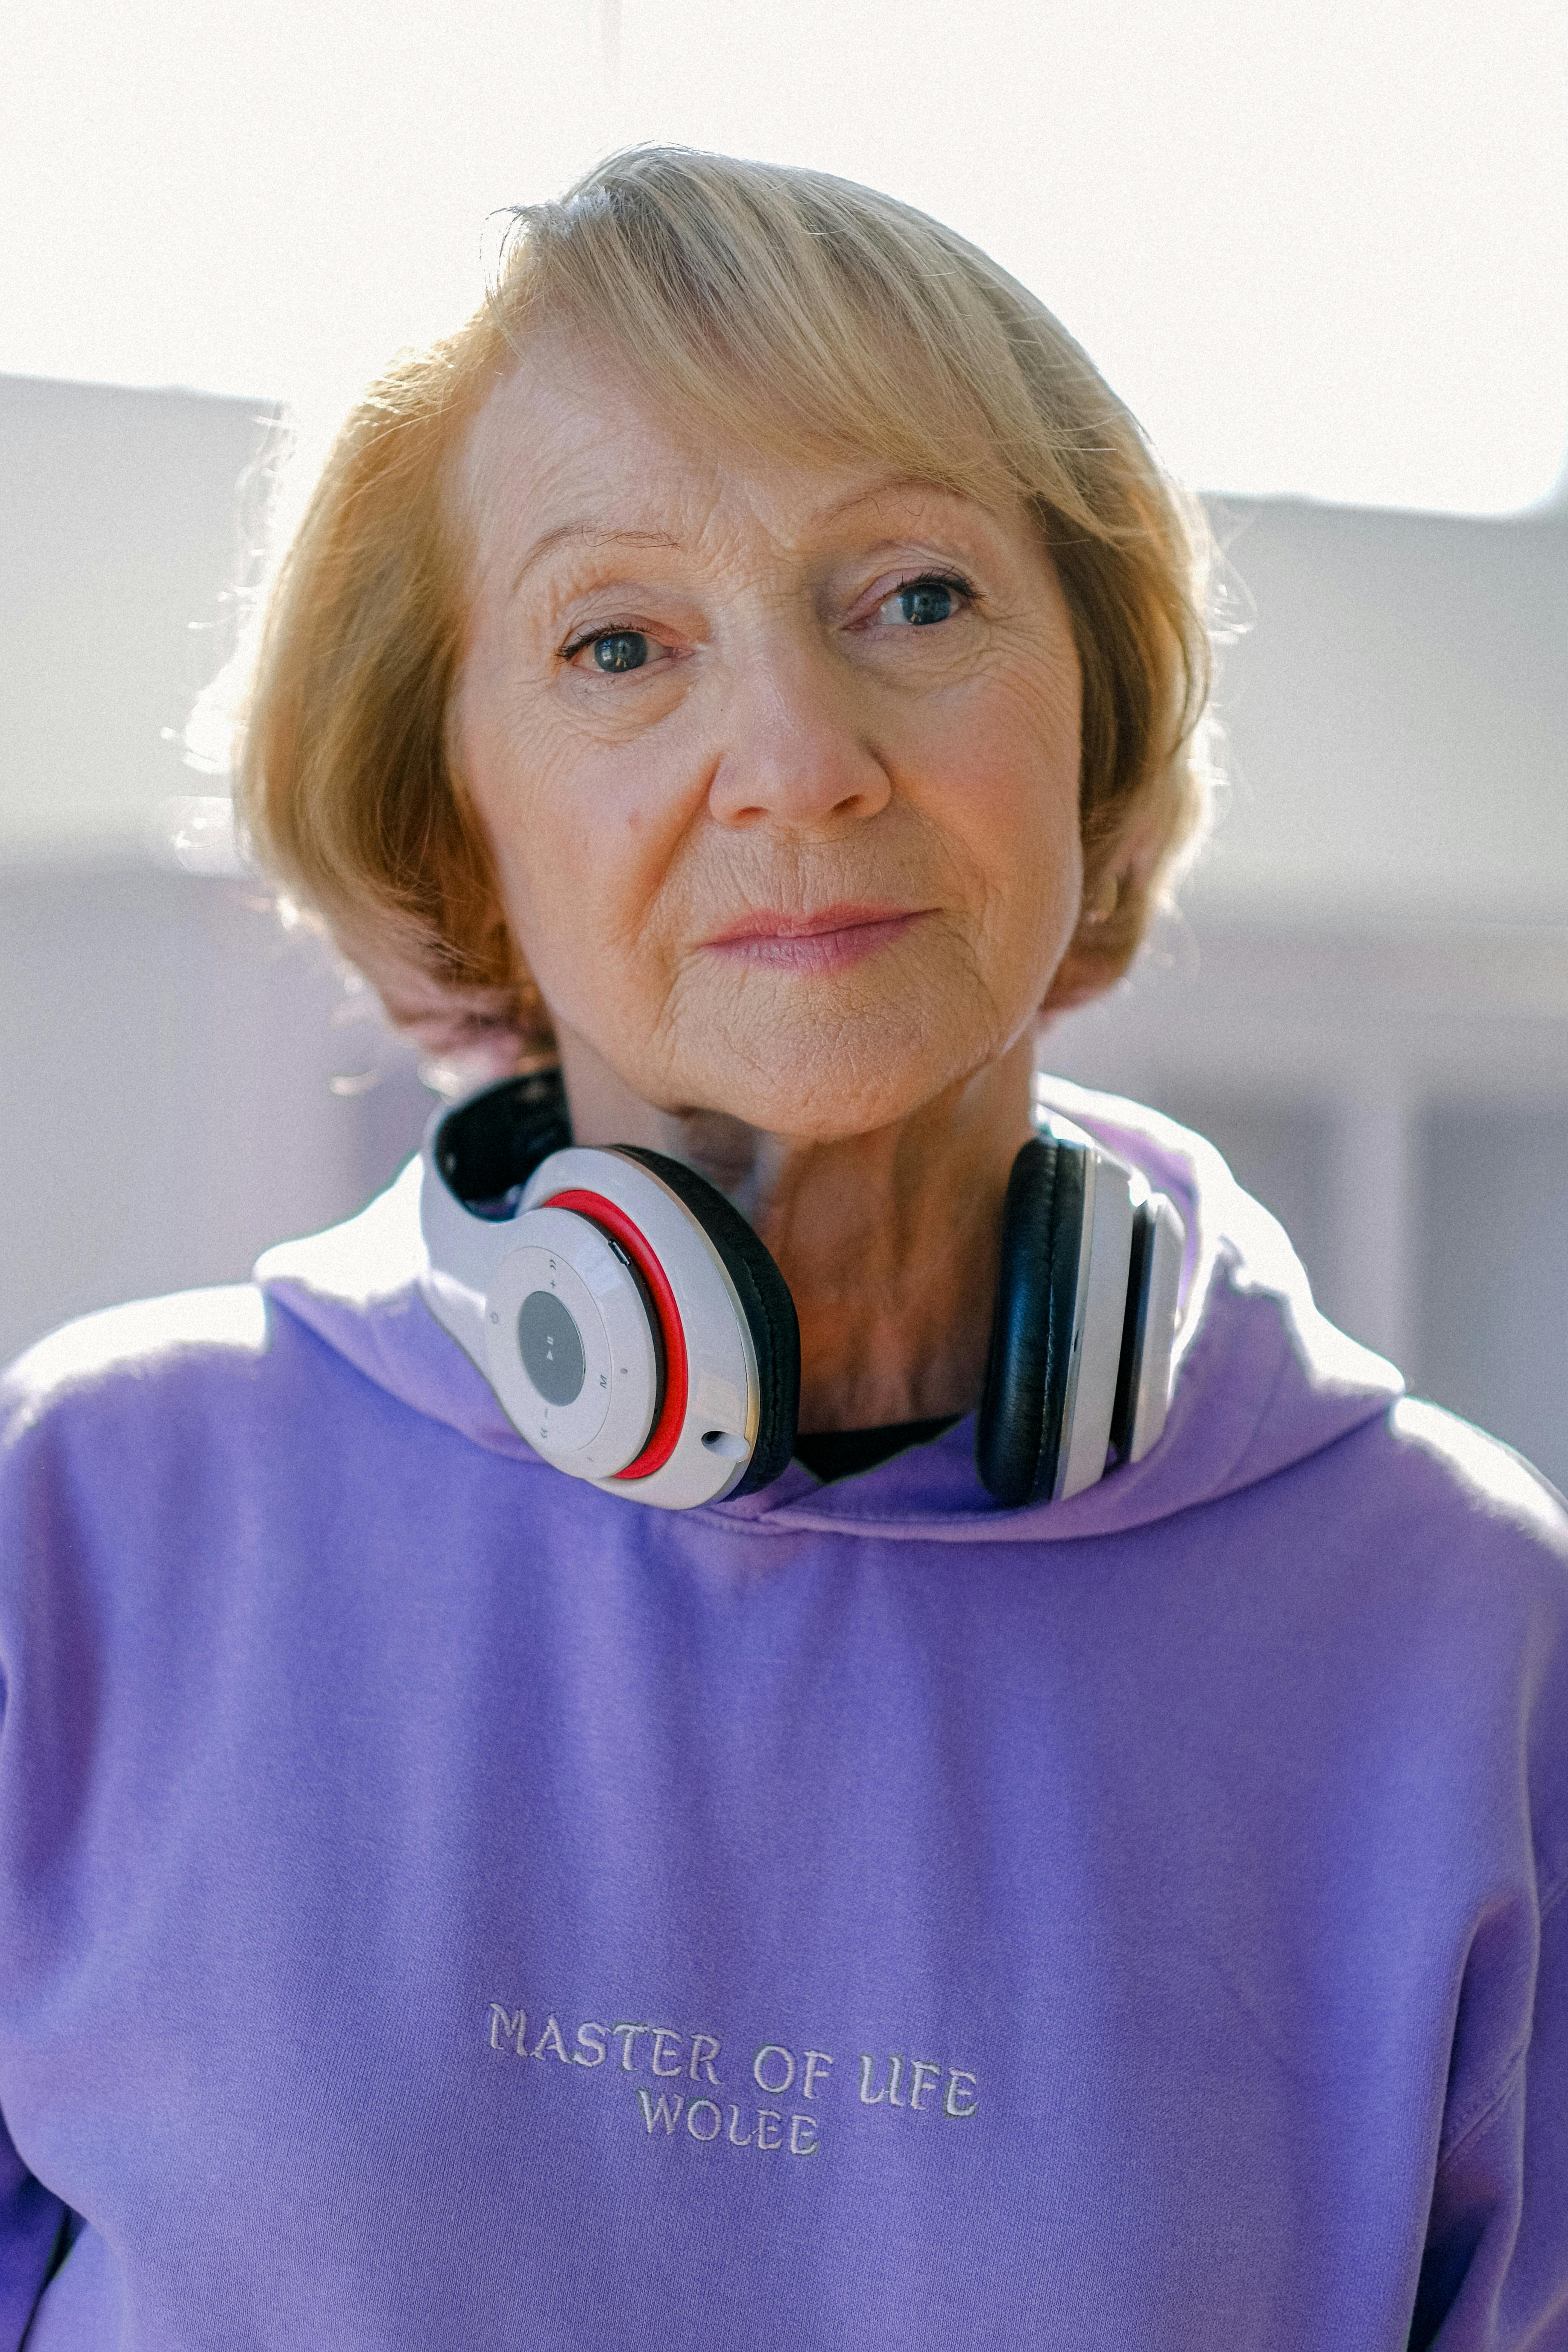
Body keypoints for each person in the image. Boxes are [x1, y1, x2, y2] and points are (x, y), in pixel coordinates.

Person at [1, 148, 1564, 2352]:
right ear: (459, 813)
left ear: (1096, 714)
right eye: (620, 642)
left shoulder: (1467, 1635)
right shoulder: (81, 1522)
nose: (799, 762)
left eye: (914, 597)